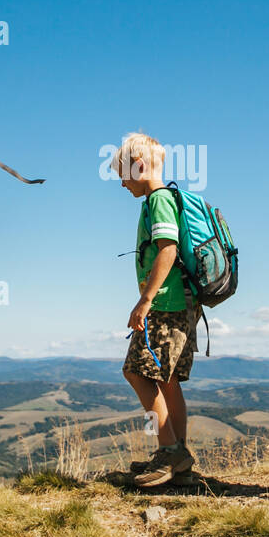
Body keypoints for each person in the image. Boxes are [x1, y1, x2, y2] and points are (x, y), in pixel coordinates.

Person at [112, 133, 198, 488]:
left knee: (135, 372)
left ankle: (169, 450)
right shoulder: (163, 199)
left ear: (141, 166)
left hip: (165, 305)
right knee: (168, 380)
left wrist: (145, 301)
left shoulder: (158, 201)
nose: (121, 181)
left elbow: (168, 250)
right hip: (182, 305)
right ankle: (179, 459)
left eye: (124, 172)